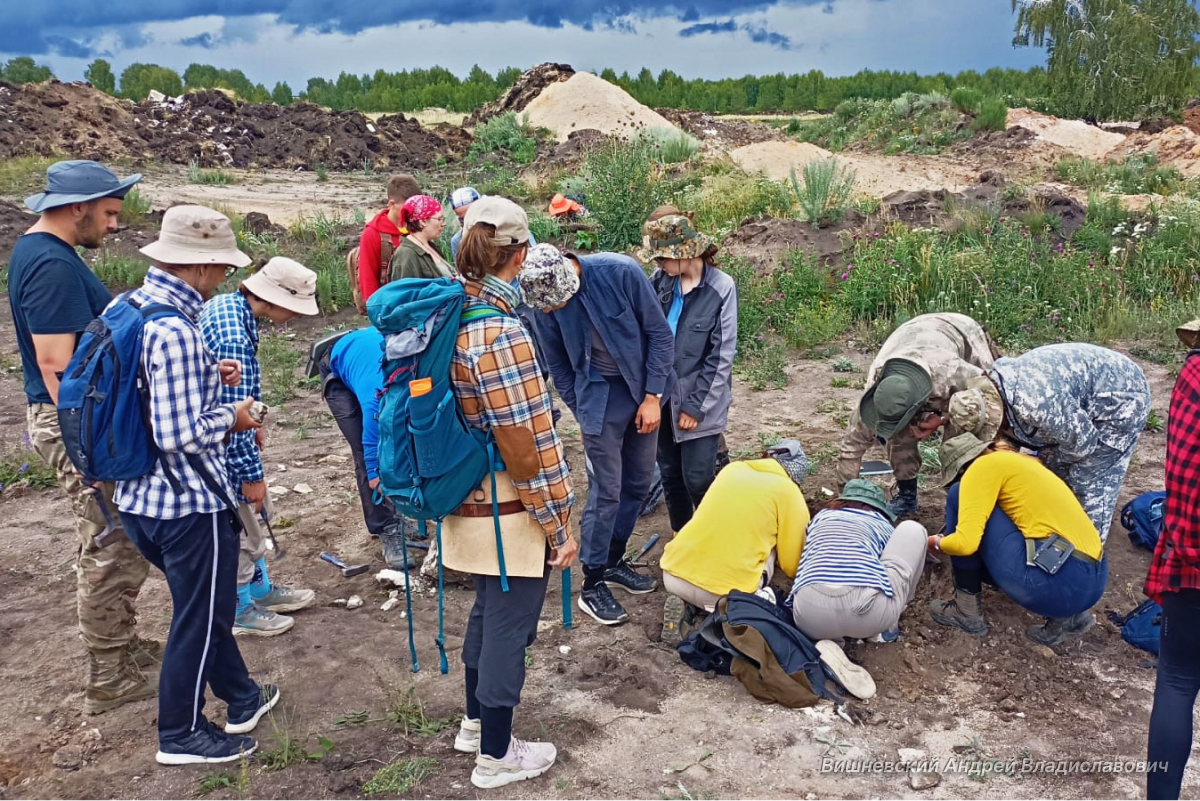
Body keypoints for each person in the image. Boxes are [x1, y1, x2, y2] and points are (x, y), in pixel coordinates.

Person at [116, 205, 278, 764]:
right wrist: (235, 416)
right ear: (203, 265)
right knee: (200, 619)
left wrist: (211, 373)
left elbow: (145, 391)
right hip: (187, 503)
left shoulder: (131, 308)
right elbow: (179, 432)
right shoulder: (176, 332)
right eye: (222, 268)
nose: (224, 279)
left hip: (136, 498)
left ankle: (242, 697)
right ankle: (179, 733)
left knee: (200, 608)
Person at [10, 160, 158, 715]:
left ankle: (120, 643)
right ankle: (108, 674)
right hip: (76, 426)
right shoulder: (50, 265)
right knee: (112, 541)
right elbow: (57, 366)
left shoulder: (46, 254)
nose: (115, 225)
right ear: (79, 208)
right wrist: (90, 450)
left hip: (76, 422)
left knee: (114, 537)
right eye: (110, 212)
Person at [445, 196, 578, 789]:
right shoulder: (501, 334)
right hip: (507, 508)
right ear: (519, 256)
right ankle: (496, 757)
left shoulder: (452, 315)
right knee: (509, 624)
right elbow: (530, 445)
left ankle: (476, 724)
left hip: (465, 497)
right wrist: (561, 523)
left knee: (487, 610)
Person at [947, 342, 1148, 645]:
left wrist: (1043, 470)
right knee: (1049, 484)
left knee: (1089, 485)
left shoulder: (1034, 402)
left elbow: (1083, 444)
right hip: (1084, 401)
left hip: (1118, 405)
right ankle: (1063, 577)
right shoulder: (995, 391)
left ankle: (1071, 608)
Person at [520, 243, 675, 626]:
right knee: (606, 489)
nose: (551, 313)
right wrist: (583, 409)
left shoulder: (621, 273)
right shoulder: (543, 301)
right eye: (546, 309)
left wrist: (653, 397)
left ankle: (613, 560)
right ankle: (592, 583)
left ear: (568, 278)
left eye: (555, 306)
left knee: (637, 484)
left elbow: (659, 334)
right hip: (597, 398)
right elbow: (557, 364)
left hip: (642, 391)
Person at [200, 257, 320, 637]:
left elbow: (239, 402)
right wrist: (251, 477)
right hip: (218, 448)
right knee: (243, 520)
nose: (297, 317)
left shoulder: (226, 306)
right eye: (295, 307)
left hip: (219, 434)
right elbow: (230, 421)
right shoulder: (235, 336)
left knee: (255, 513)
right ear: (273, 298)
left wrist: (255, 423)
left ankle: (261, 589)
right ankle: (240, 609)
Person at [926, 434, 1106, 647]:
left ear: (962, 466)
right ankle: (1069, 618)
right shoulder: (1023, 464)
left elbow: (966, 544)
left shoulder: (981, 466)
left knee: (958, 494)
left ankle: (966, 611)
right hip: (1092, 584)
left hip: (1054, 586)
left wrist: (935, 543)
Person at [837, 313, 998, 517]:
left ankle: (964, 500)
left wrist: (942, 418)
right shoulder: (878, 395)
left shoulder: (952, 373)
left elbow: (991, 397)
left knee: (960, 439)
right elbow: (850, 450)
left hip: (960, 331)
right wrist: (847, 503)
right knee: (898, 434)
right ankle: (907, 496)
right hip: (909, 335)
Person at [638, 214, 737, 533]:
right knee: (670, 474)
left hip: (700, 399)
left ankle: (715, 537)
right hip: (663, 397)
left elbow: (721, 356)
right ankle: (684, 538)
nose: (660, 264)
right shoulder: (659, 281)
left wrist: (696, 406)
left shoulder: (721, 287)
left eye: (664, 257)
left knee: (698, 477)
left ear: (685, 254)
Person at [659, 440, 810, 643]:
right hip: (724, 593)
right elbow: (793, 564)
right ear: (794, 475)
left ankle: (687, 605)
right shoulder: (788, 491)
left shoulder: (732, 470)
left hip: (672, 575)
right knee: (770, 548)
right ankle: (731, 612)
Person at [1145, 320, 1200, 800]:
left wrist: (1181, 550)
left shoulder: (1197, 374)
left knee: (1179, 679)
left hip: (1196, 564)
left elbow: (1183, 475)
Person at [319, 327, 414, 569]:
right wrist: (375, 474)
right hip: (338, 369)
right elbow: (372, 436)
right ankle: (386, 528)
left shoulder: (422, 374)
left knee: (410, 437)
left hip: (366, 350)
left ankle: (404, 511)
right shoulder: (376, 394)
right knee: (366, 452)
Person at [789, 480, 927, 643]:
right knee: (912, 529)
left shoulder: (821, 517)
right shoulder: (881, 523)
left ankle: (831, 641)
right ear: (878, 508)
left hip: (809, 615)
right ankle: (887, 628)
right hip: (867, 614)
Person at [358, 173, 421, 304]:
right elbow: (367, 279)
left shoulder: (417, 227)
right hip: (388, 306)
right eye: (408, 209)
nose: (413, 213)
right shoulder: (372, 235)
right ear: (392, 204)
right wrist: (377, 311)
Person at [389, 194, 452, 281]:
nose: (443, 224)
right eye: (439, 219)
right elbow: (406, 292)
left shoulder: (431, 247)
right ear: (422, 221)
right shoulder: (406, 254)